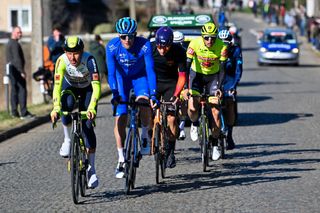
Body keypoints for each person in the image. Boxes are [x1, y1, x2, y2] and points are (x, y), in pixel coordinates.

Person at [106, 17, 158, 178]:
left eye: (130, 36)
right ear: (118, 36)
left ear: (135, 34)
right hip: (122, 80)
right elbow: (111, 73)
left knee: (143, 103)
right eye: (123, 36)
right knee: (120, 115)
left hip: (139, 78)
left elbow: (150, 71)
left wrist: (153, 94)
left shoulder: (144, 45)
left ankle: (144, 136)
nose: (127, 40)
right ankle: (121, 159)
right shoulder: (112, 47)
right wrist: (115, 93)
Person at [50, 36, 101, 189]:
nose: (72, 57)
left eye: (76, 53)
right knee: (66, 106)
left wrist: (92, 107)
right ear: (65, 52)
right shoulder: (61, 61)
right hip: (70, 86)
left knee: (87, 126)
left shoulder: (90, 60)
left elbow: (97, 87)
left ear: (82, 51)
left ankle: (92, 169)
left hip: (87, 89)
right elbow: (57, 87)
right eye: (69, 53)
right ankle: (67, 139)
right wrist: (55, 107)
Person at [184, 22, 228, 161]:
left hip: (213, 77)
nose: (210, 41)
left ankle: (215, 145)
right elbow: (186, 66)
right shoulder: (194, 44)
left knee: (215, 112)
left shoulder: (222, 46)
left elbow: (222, 69)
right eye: (207, 38)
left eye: (213, 38)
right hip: (196, 75)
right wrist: (186, 87)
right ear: (202, 36)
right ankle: (195, 123)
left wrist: (220, 88)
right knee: (192, 106)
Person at [151, 27, 186, 168]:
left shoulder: (178, 51)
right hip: (154, 83)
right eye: (160, 46)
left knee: (171, 118)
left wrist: (177, 94)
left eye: (165, 47)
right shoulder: (151, 49)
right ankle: (151, 140)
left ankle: (171, 150)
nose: (162, 50)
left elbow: (182, 76)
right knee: (152, 116)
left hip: (171, 84)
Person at [218, 29, 243, 150]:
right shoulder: (213, 50)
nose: (224, 46)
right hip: (216, 80)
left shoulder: (236, 50)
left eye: (226, 43)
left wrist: (234, 86)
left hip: (229, 81)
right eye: (221, 43)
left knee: (230, 104)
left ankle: (229, 135)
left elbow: (238, 70)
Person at [6, 26, 34, 119]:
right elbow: (17, 59)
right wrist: (22, 71)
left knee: (15, 90)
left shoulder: (11, 43)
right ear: (13, 33)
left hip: (12, 70)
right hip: (16, 70)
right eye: (18, 32)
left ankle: (15, 112)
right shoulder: (14, 44)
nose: (20, 34)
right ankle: (23, 112)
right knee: (22, 90)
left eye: (21, 32)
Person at [173, 31, 188, 140]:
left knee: (182, 101)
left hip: (182, 80)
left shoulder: (185, 52)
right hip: (170, 80)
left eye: (179, 42)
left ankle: (181, 127)